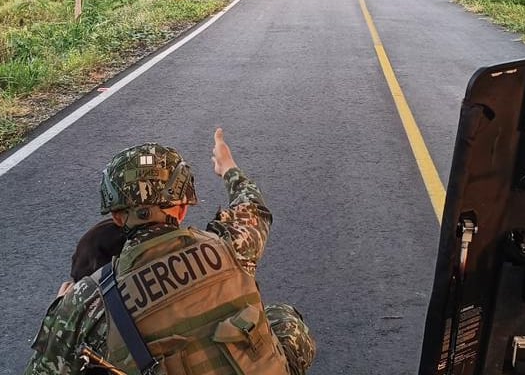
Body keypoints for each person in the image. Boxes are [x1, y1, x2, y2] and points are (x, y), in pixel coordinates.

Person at [23, 129, 315, 375]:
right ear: (183, 207)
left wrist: (61, 308)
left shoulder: (87, 298)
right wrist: (228, 168)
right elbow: (254, 209)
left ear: (116, 217)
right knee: (282, 317)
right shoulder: (229, 246)